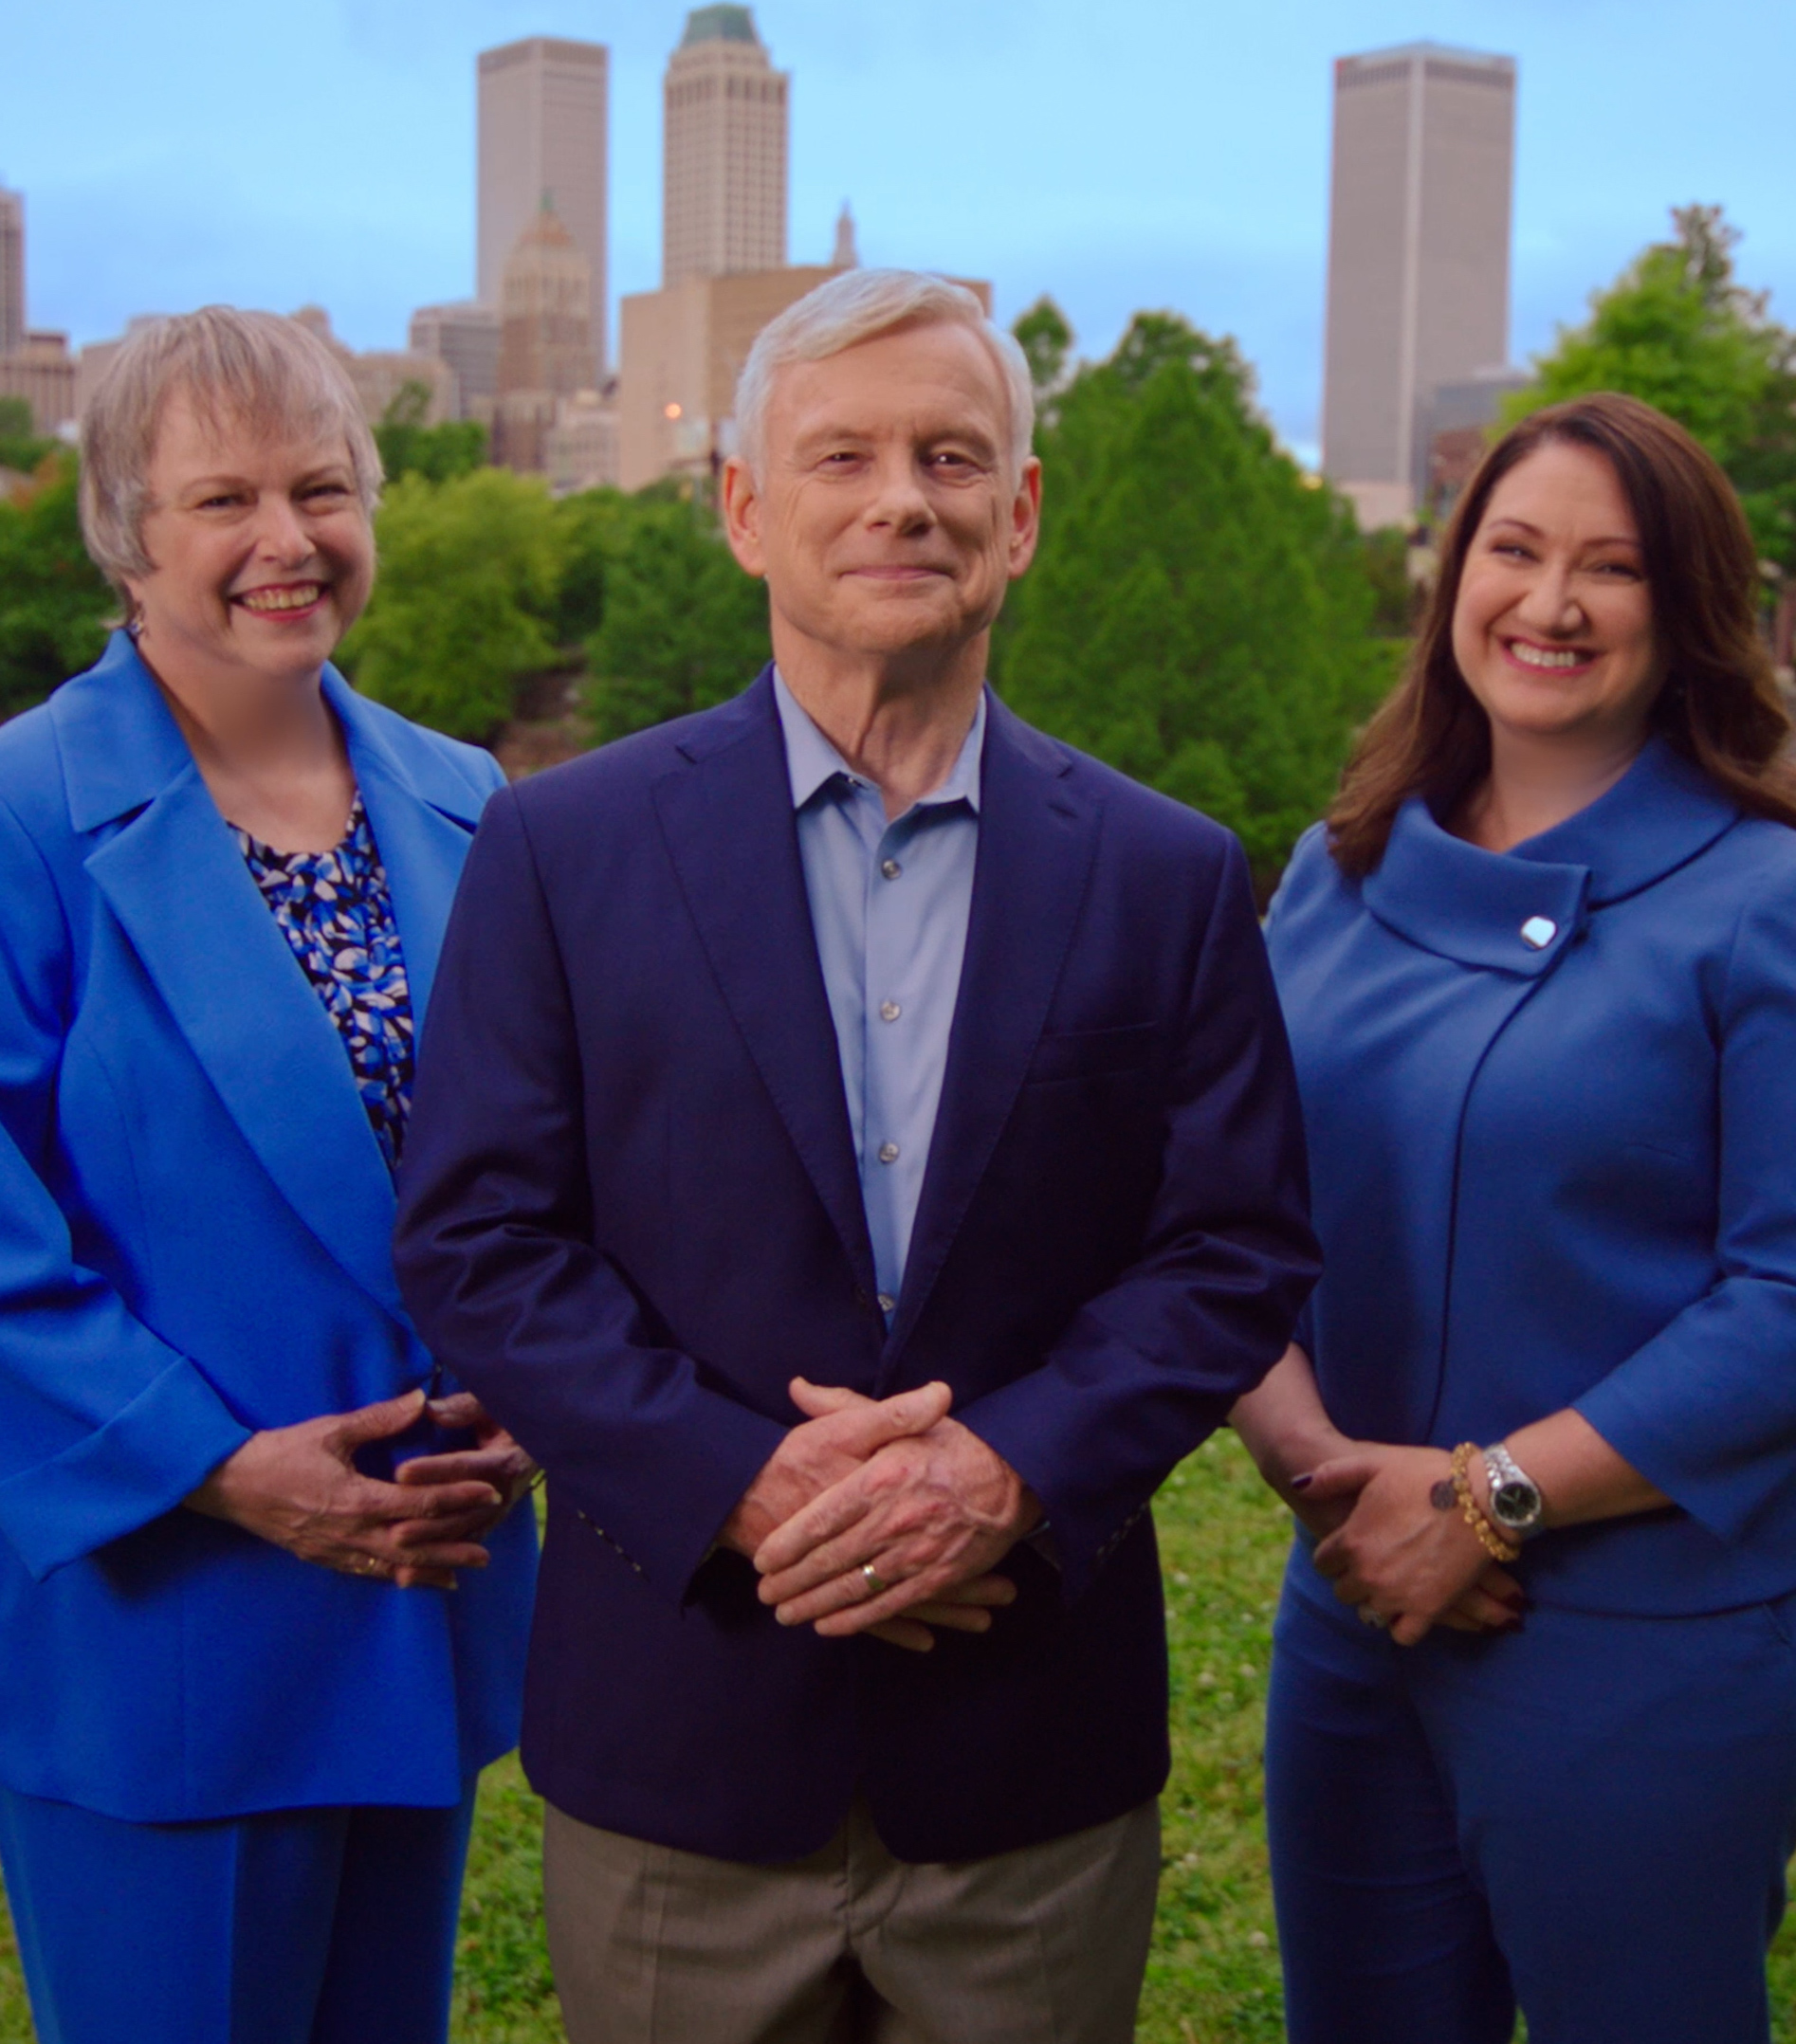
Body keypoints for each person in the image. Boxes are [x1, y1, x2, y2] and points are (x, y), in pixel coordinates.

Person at [393, 266, 1319, 2044]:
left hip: (1026, 1754)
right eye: (842, 456)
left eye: (953, 455)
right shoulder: (561, 849)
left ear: (1021, 515)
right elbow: (479, 1239)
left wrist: (996, 1478)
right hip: (687, 1745)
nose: (903, 496)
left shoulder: (1165, 871)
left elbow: (1231, 1250)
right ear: (745, 506)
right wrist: (746, 1487)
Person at [0, 307, 538, 2044]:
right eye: (221, 498)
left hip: (419, 1594)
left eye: (323, 487)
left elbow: (552, 1163)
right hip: (164, 1610)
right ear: (125, 535)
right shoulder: (18, 816)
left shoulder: (471, 804)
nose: (285, 540)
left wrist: (553, 1384)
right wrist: (221, 1470)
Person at [1234, 392, 1796, 2044]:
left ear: (1682, 613)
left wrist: (1485, 1500)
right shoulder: (1332, 875)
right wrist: (1325, 1480)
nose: (1548, 604)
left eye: (1610, 570)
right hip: (1350, 1605)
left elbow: (1784, 1296)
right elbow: (1217, 1217)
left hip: (1639, 1637)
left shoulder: (1761, 900)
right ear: (1451, 573)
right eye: (1515, 548)